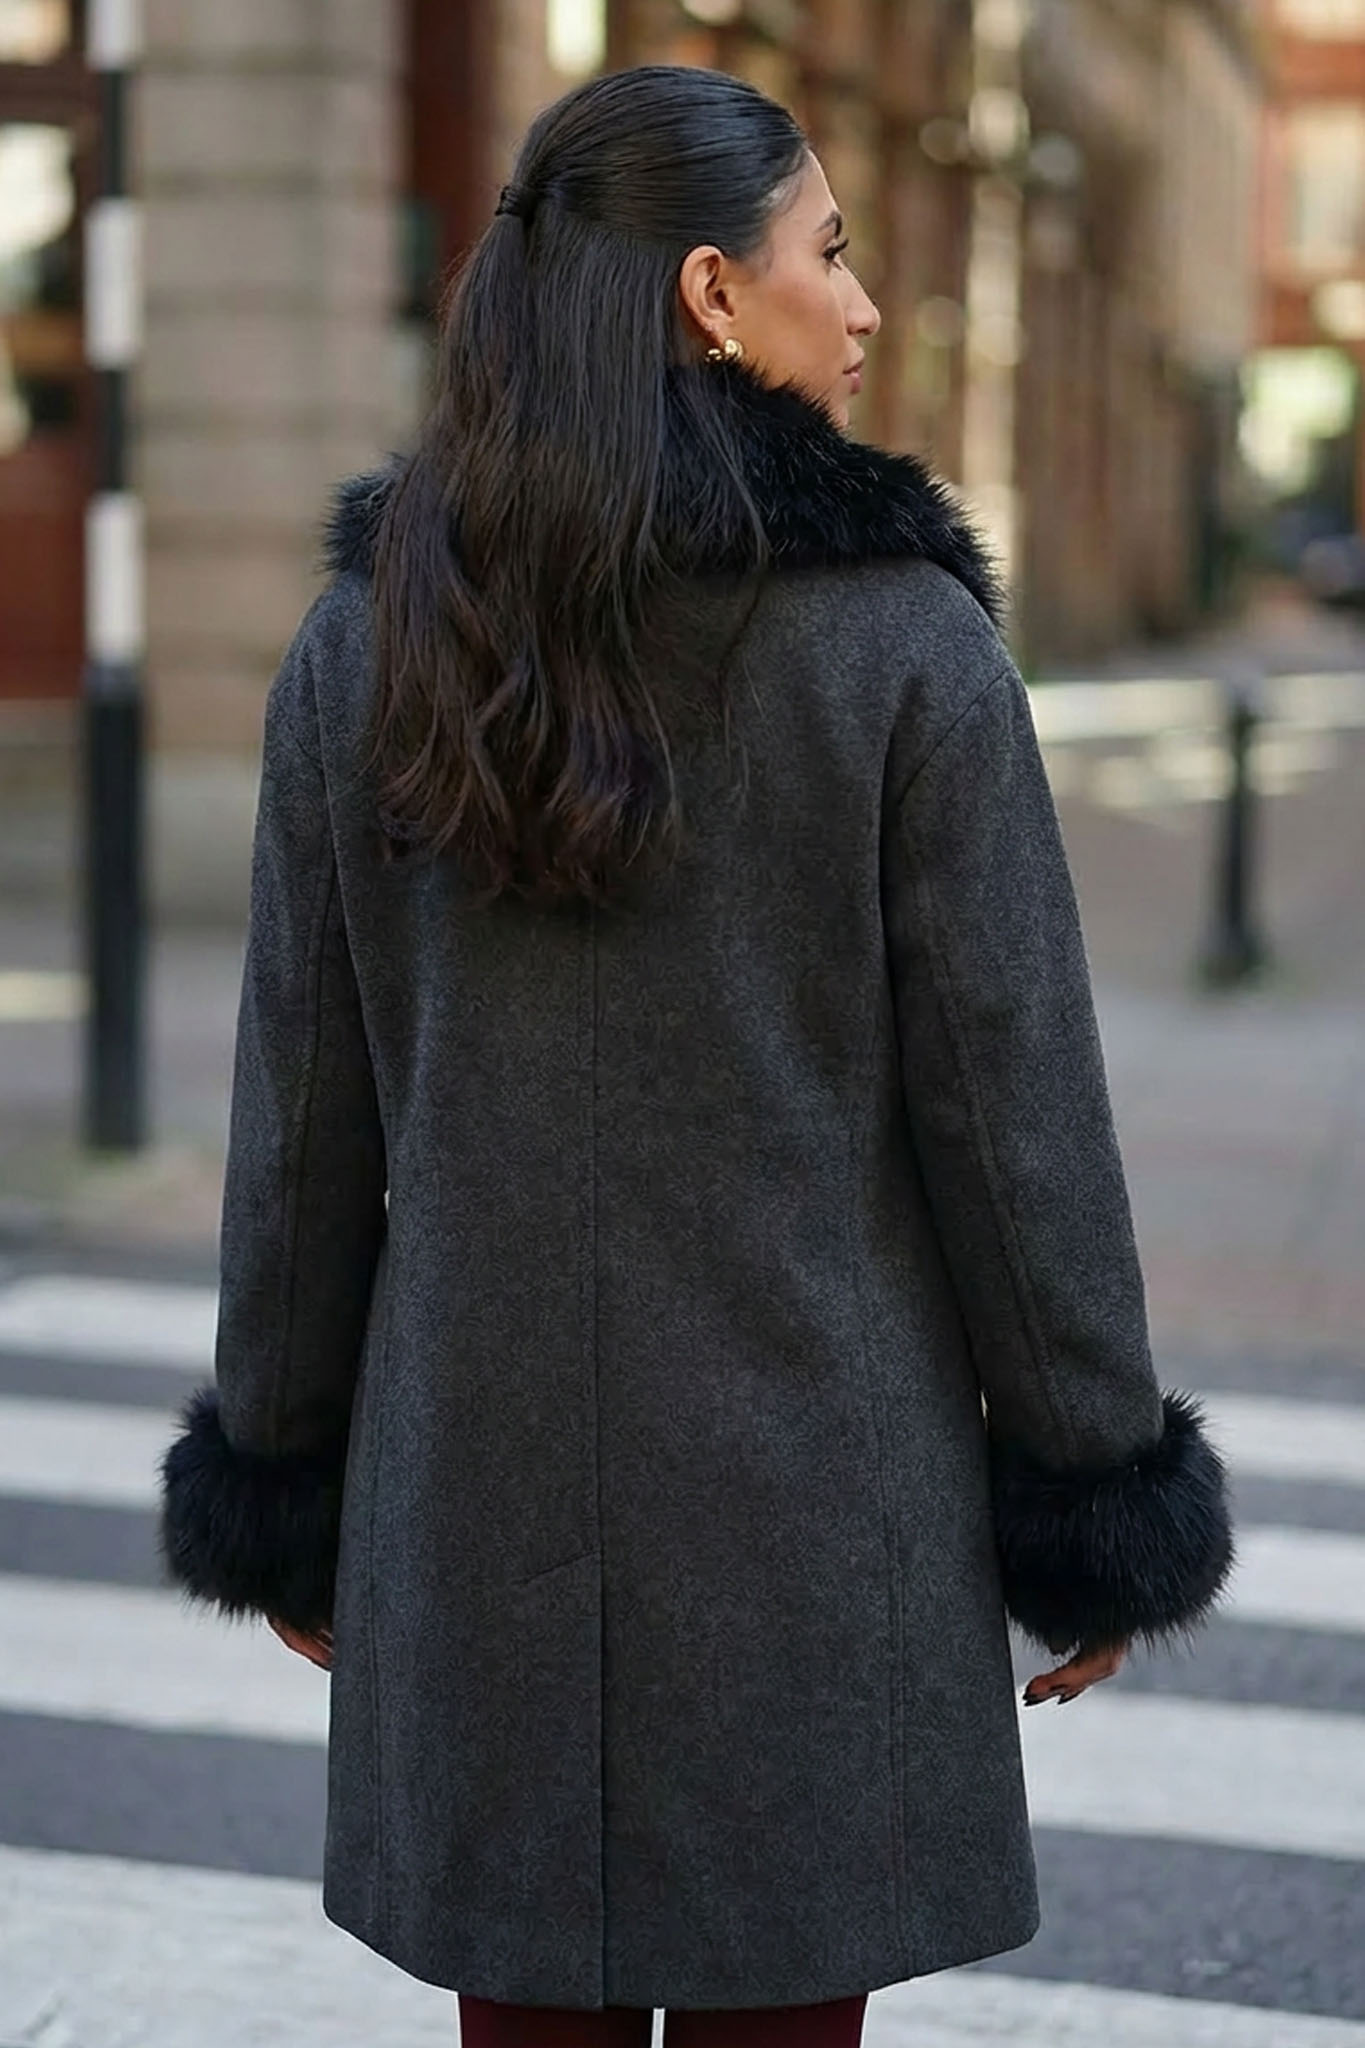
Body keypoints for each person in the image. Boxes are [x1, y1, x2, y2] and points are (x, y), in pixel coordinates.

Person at [158, 63, 1234, 2048]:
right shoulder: (903, 650)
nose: (864, 302)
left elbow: (299, 1125)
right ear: (710, 295)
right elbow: (1013, 1128)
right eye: (829, 250)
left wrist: (281, 1471)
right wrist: (1096, 1488)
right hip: (813, 1510)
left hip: (477, 1502)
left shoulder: (365, 645)